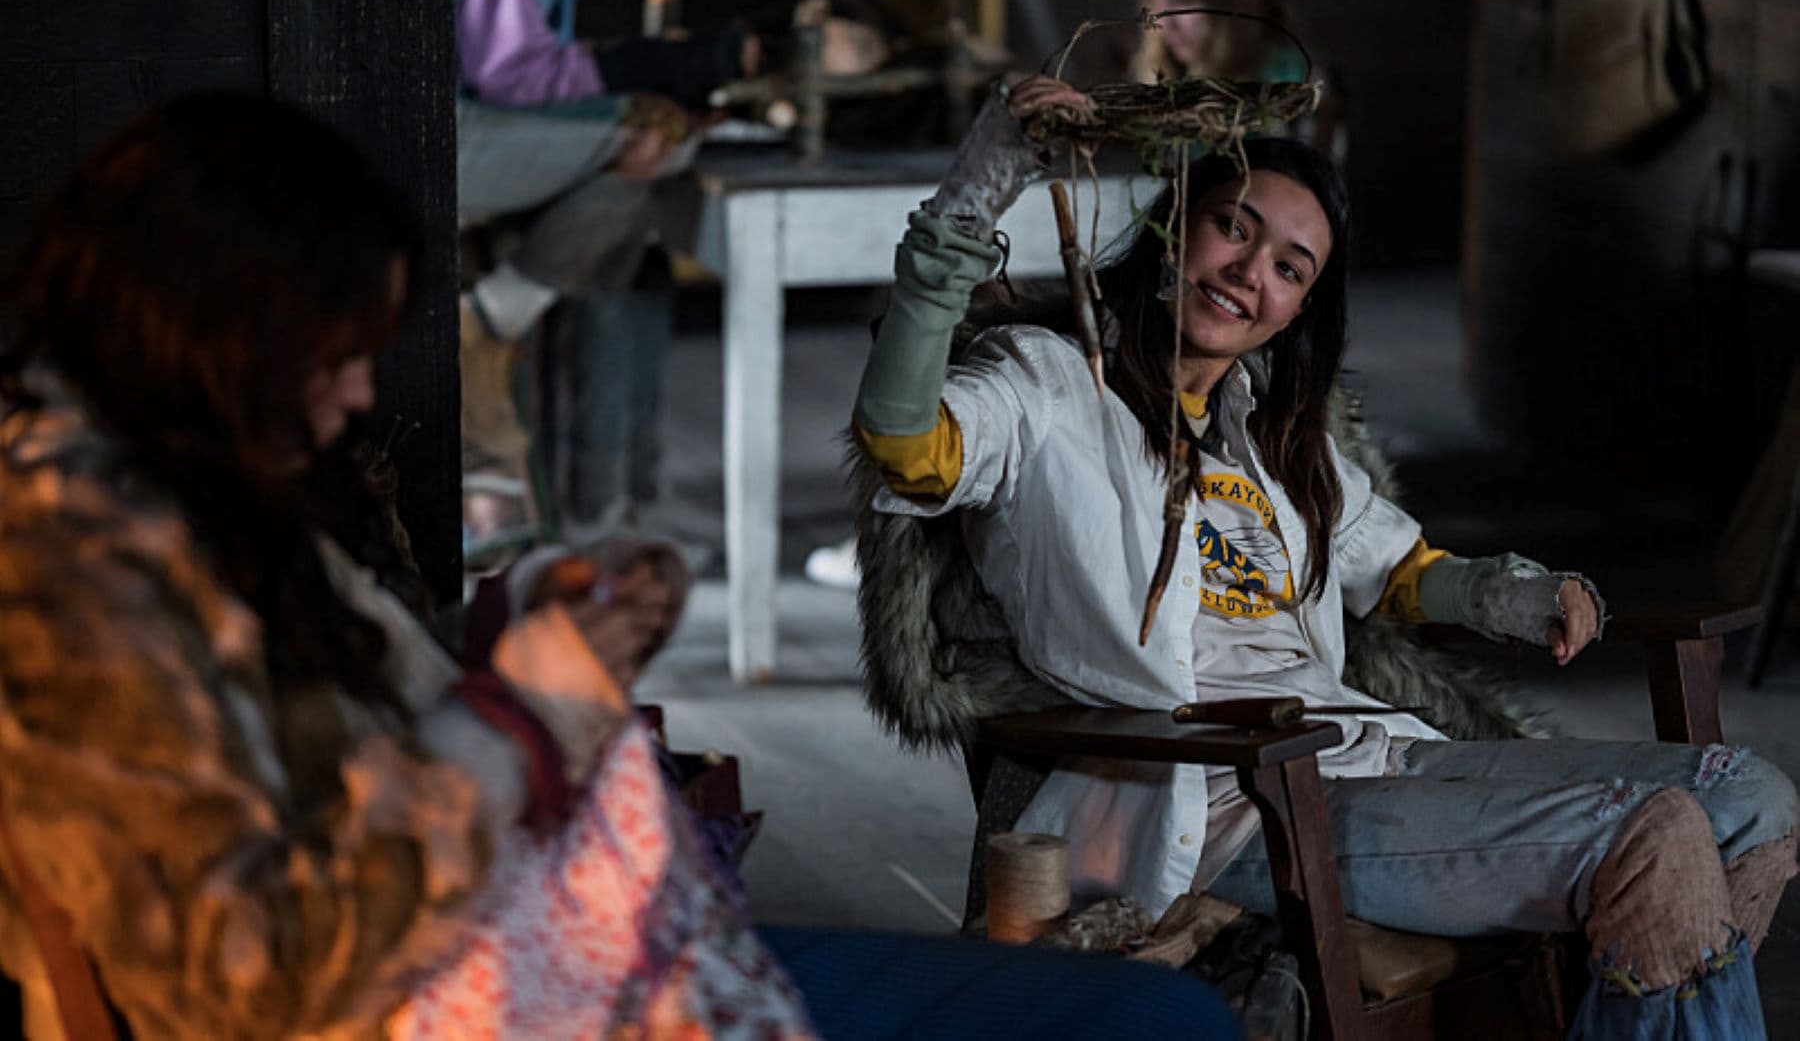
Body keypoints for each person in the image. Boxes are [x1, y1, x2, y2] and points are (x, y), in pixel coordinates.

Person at [0, 91, 1243, 1040]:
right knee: (1148, 1023)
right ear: (206, 325)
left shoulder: (178, 486)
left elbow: (359, 748)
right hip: (472, 990)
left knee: (1149, 1015)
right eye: (331, 353)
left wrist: (523, 636)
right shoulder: (73, 565)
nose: (358, 395)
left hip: (500, 945)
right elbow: (246, 972)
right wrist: (529, 713)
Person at [851, 76, 1799, 1037]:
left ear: (1298, 308)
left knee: (1754, 797)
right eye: (1234, 226)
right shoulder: (1045, 383)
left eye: (1291, 268)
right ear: (1173, 226)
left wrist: (1519, 595)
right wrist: (979, 188)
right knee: (1664, 835)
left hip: (1371, 752)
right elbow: (901, 441)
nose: (1249, 271)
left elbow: (1397, 567)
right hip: (1239, 803)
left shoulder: (1273, 437)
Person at [452, 0, 754, 524]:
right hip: (438, 137)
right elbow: (507, 72)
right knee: (662, 140)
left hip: (432, 122)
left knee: (625, 221)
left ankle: (601, 505)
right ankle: (486, 322)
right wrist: (648, 68)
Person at [1131, 0, 1342, 156]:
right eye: (1152, 2)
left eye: (1182, 1)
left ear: (1240, 3)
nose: (1162, 23)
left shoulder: (1292, 88)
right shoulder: (1171, 82)